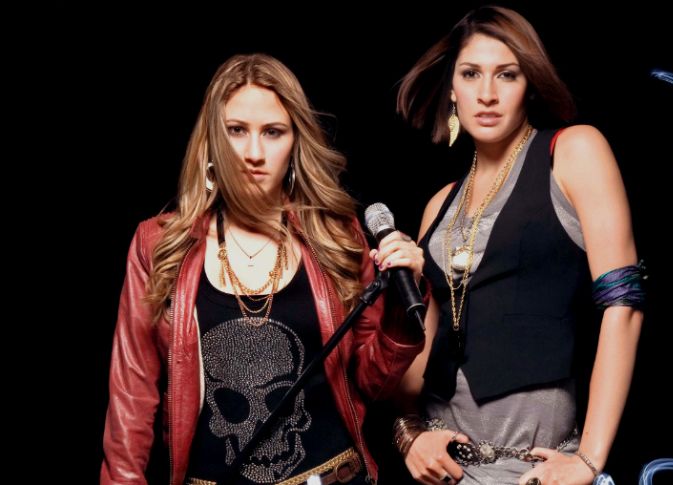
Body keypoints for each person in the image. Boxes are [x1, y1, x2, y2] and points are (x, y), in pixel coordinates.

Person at [100, 53, 427, 485]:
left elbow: (373, 385)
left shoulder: (335, 234)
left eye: (273, 132)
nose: (254, 153)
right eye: (236, 130)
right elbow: (132, 400)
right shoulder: (158, 245)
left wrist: (401, 310)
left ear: (295, 142)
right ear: (213, 139)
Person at [391, 6, 645, 485]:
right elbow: (422, 347)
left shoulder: (573, 151)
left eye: (506, 74)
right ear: (452, 88)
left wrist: (589, 459)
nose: (487, 94)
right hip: (442, 469)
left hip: (531, 467)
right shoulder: (439, 204)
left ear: (529, 82)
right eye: (471, 74)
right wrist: (409, 433)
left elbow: (624, 304)